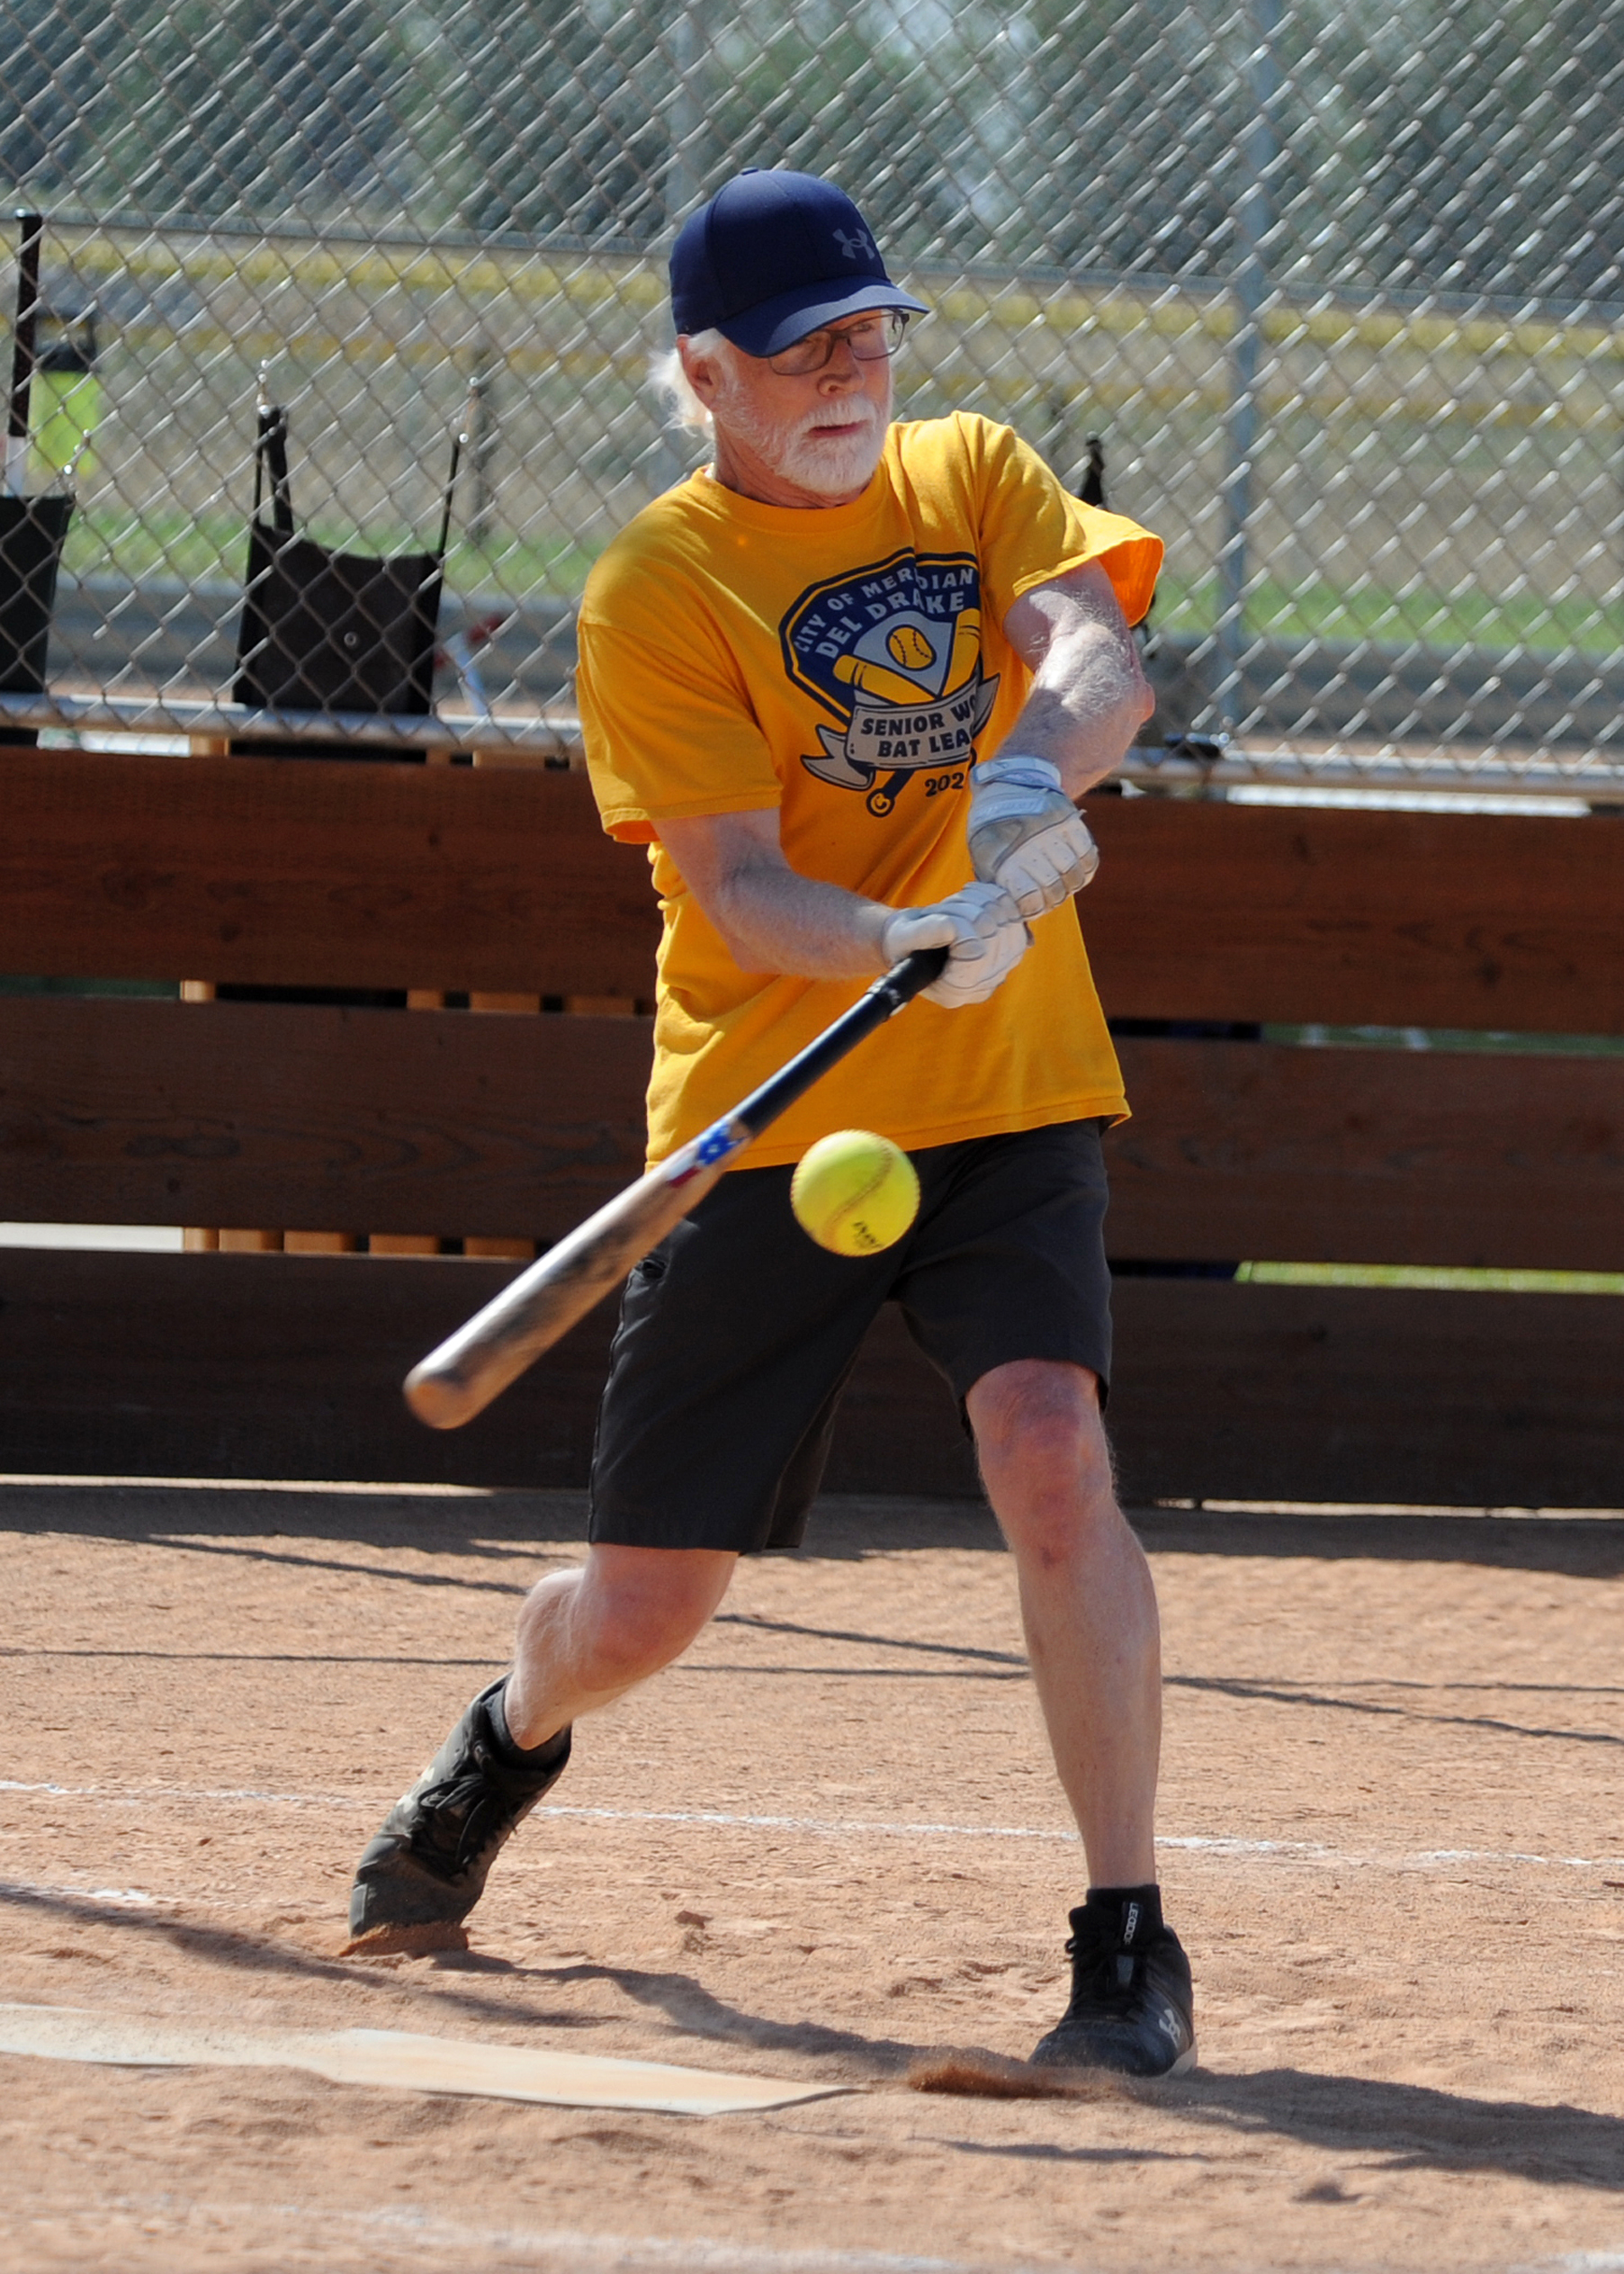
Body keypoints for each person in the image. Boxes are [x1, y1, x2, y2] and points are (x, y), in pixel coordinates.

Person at [347, 167, 1194, 2079]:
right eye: (804, 349)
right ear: (706, 373)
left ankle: (1128, 1940)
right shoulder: (659, 585)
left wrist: (1013, 803)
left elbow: (1097, 656)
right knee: (642, 1612)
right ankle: (506, 1735)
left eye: (870, 334)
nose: (849, 373)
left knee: (1050, 1451)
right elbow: (733, 889)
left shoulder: (968, 473)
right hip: (764, 1120)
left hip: (1008, 1093)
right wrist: (896, 937)